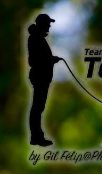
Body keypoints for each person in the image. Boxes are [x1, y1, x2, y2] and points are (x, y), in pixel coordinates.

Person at [27, 13, 61, 147]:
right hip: (40, 77)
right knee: (37, 107)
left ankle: (36, 137)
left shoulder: (38, 38)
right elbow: (34, 60)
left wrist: (50, 60)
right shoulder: (36, 38)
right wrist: (50, 60)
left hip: (42, 77)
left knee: (38, 107)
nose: (49, 26)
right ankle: (36, 137)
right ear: (42, 24)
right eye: (47, 23)